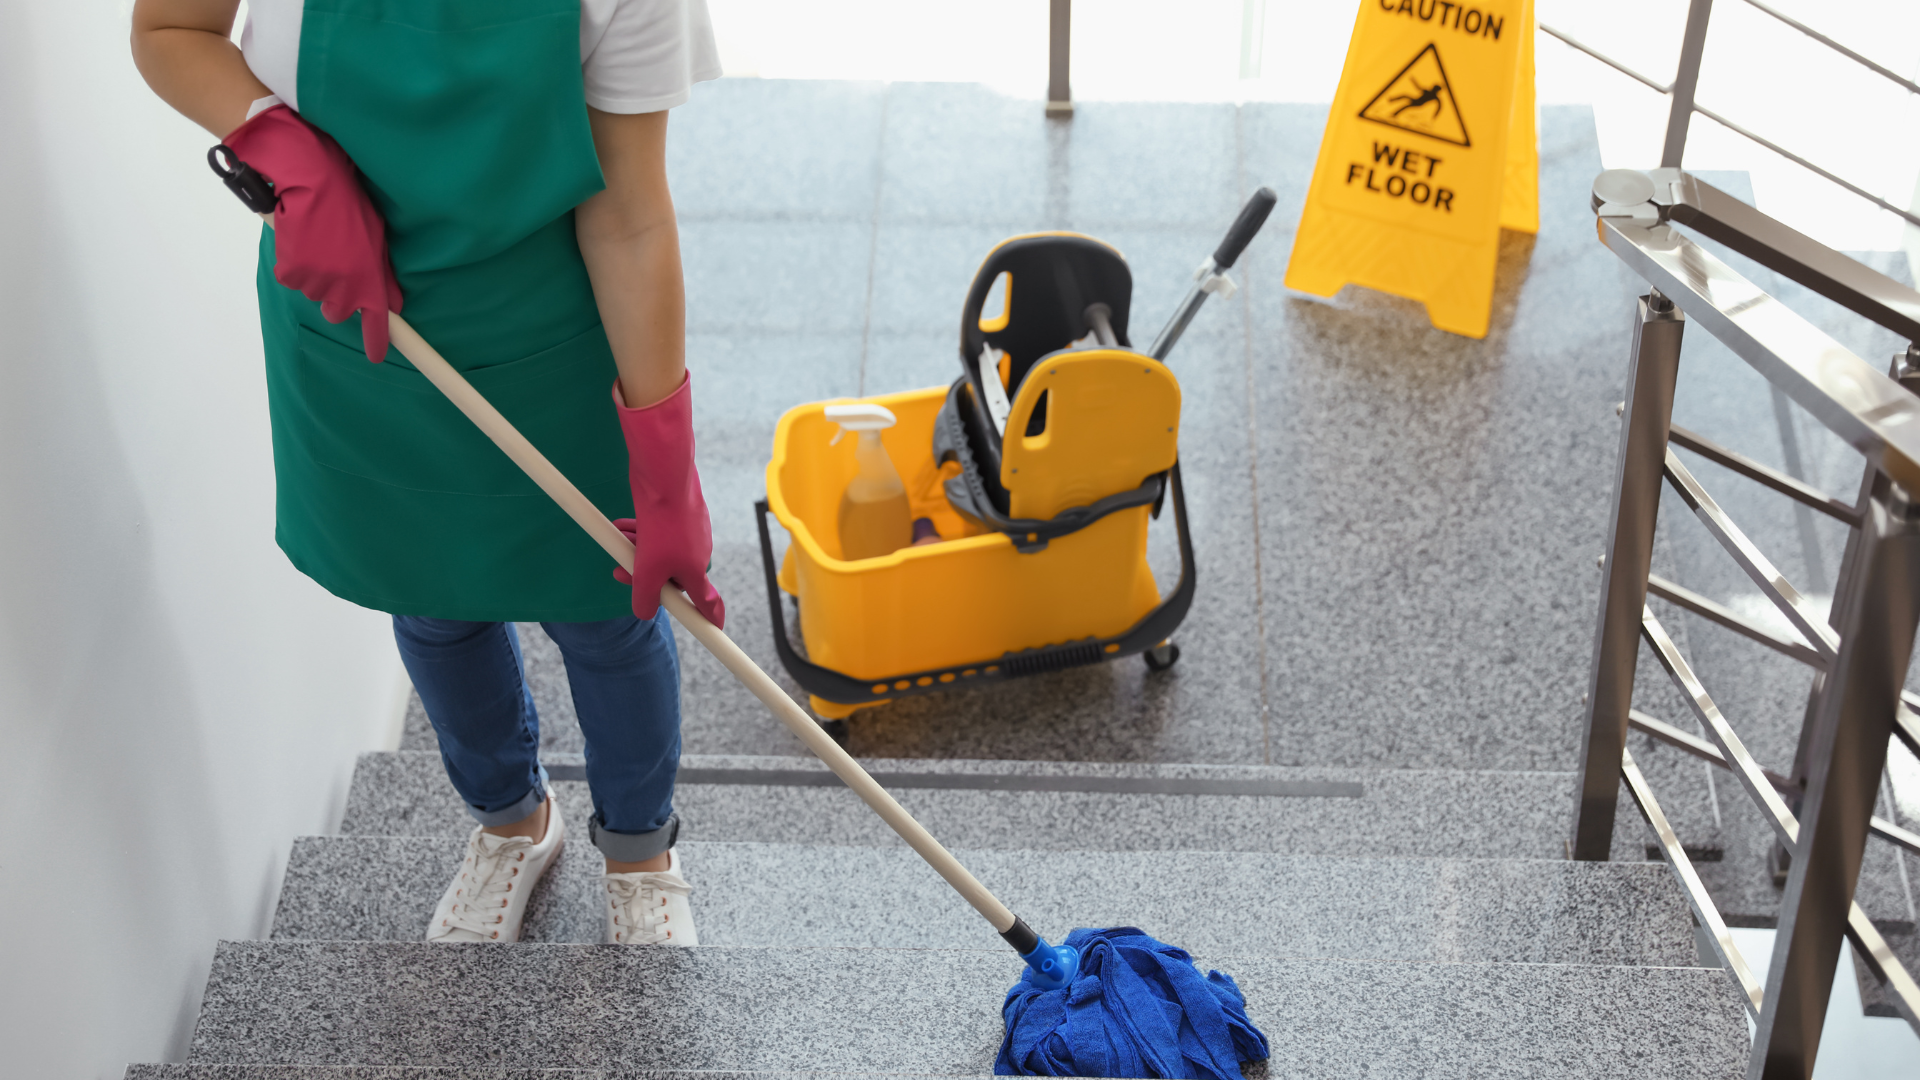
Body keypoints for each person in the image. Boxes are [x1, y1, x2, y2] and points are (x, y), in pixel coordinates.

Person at [131, 0, 725, 946]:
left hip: (547, 329)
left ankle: (641, 852)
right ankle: (511, 825)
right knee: (435, 601)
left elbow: (629, 217)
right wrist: (272, 138)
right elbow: (169, 30)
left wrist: (663, 463)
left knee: (607, 610)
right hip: (359, 330)